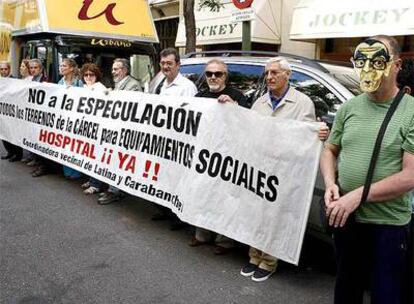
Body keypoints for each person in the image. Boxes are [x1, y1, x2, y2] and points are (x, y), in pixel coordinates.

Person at [320, 35, 414, 304]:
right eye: (361, 61)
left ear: (396, 65)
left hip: (387, 225)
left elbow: (410, 176)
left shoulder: (411, 111)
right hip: (347, 221)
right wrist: (330, 183)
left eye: (378, 60)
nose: (368, 68)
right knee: (346, 289)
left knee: (387, 294)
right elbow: (330, 149)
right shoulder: (349, 107)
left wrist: (356, 196)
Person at [232, 57, 329, 282]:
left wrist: (319, 133)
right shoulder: (260, 102)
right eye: (267, 73)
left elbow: (306, 137)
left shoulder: (303, 103)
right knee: (257, 214)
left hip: (285, 171)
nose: (269, 77)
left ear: (288, 75)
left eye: (274, 72)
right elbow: (251, 131)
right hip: (260, 168)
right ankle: (254, 255)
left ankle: (269, 260)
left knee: (275, 216)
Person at [188, 59, 247, 254]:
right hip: (204, 155)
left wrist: (234, 107)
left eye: (218, 74)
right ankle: (201, 235)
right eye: (209, 74)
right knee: (203, 194)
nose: (213, 77)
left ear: (225, 76)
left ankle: (224, 241)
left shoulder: (238, 96)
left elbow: (250, 124)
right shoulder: (199, 97)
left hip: (228, 156)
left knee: (224, 199)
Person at [150, 48, 197, 230]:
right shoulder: (161, 84)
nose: (165, 67)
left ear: (178, 64)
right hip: (162, 140)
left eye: (169, 63)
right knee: (163, 177)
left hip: (178, 142)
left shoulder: (187, 87)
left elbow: (191, 117)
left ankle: (179, 217)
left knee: (177, 180)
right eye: (163, 63)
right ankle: (165, 209)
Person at [98, 58, 142, 205]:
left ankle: (114, 191)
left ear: (124, 70)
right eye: (113, 69)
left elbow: (131, 108)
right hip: (116, 129)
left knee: (118, 160)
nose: (113, 72)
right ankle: (115, 188)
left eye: (116, 69)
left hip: (125, 131)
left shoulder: (133, 85)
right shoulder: (119, 84)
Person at [79, 63, 107, 194]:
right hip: (86, 127)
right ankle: (91, 179)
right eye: (86, 74)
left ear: (97, 76)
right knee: (88, 155)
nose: (88, 77)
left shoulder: (100, 88)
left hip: (97, 127)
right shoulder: (84, 88)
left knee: (96, 156)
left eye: (91, 74)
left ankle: (96, 184)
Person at [58, 58, 83, 180]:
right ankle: (67, 171)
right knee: (65, 144)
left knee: (75, 145)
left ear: (72, 68)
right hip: (63, 118)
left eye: (64, 66)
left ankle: (76, 172)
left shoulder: (79, 83)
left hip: (75, 119)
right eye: (61, 66)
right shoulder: (60, 82)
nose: (61, 68)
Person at [0, 61, 23, 162]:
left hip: (12, 112)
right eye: (1, 69)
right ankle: (9, 152)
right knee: (4, 133)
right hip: (2, 112)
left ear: (9, 69)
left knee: (13, 134)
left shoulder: (15, 81)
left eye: (5, 69)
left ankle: (17, 154)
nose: (4, 71)